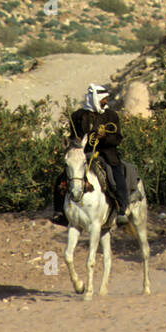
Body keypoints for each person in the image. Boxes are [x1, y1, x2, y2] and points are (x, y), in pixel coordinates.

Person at [51, 84, 130, 226]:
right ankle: (59, 212)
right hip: (84, 153)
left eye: (105, 99)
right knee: (62, 178)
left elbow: (117, 138)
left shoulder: (111, 115)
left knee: (116, 176)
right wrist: (77, 141)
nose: (105, 102)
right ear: (94, 98)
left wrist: (104, 137)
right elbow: (74, 137)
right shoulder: (77, 116)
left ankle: (122, 209)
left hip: (106, 154)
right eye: (103, 99)